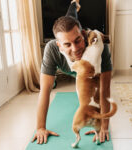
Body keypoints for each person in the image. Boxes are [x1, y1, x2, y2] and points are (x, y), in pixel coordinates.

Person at [32, 0, 112, 144]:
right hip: (72, 69)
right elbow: (44, 91)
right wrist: (40, 127)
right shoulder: (52, 49)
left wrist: (104, 126)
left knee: (94, 93)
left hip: (89, 72)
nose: (75, 49)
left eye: (78, 41)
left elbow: (104, 90)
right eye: (67, 44)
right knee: (71, 15)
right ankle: (74, 4)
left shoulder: (98, 45)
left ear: (83, 35)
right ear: (59, 46)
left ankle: (74, 6)